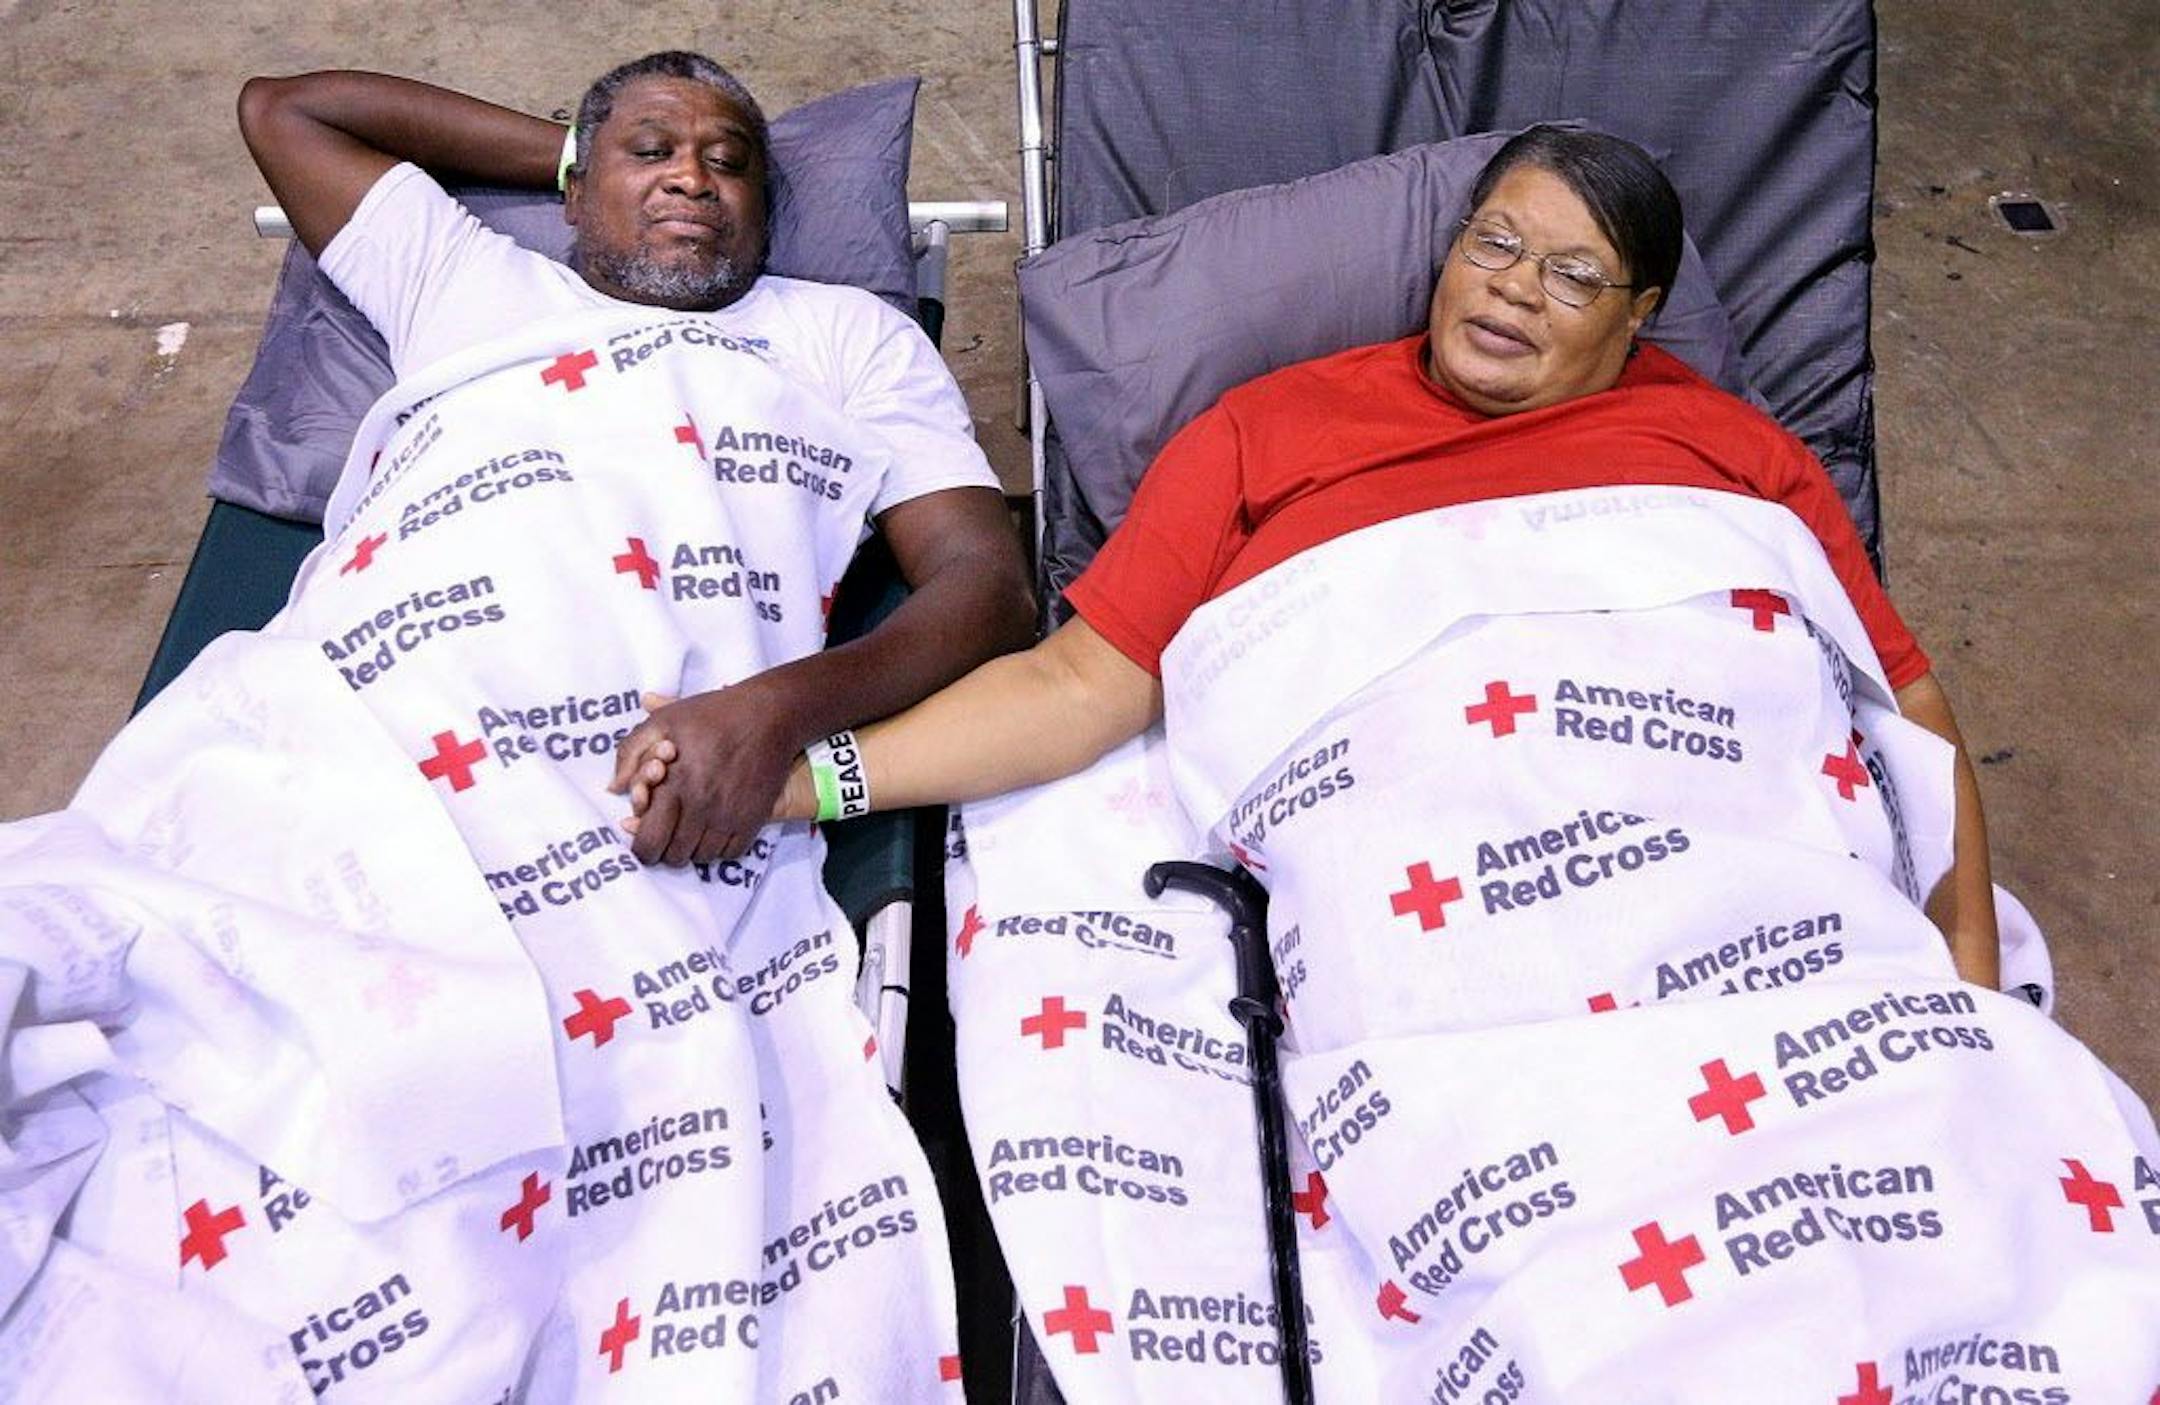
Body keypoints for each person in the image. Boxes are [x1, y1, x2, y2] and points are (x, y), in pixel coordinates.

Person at [620, 123, 1996, 989]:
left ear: (1640, 316)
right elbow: (1078, 688)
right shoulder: (1266, 428)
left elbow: (1909, 716)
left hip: (1743, 864)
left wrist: (1973, 988)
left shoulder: (1739, 455)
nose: (1513, 286)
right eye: (1496, 243)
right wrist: (804, 784)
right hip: (1440, 886)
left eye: (1572, 276)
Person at [240, 51, 1036, 862]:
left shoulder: (848, 334)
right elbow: (286, 110)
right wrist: (568, 152)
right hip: (380, 685)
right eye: (651, 152)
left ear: (764, 209)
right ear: (574, 196)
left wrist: (770, 713)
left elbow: (990, 585)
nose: (692, 178)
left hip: (656, 755)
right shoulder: (461, 277)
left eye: (729, 164)